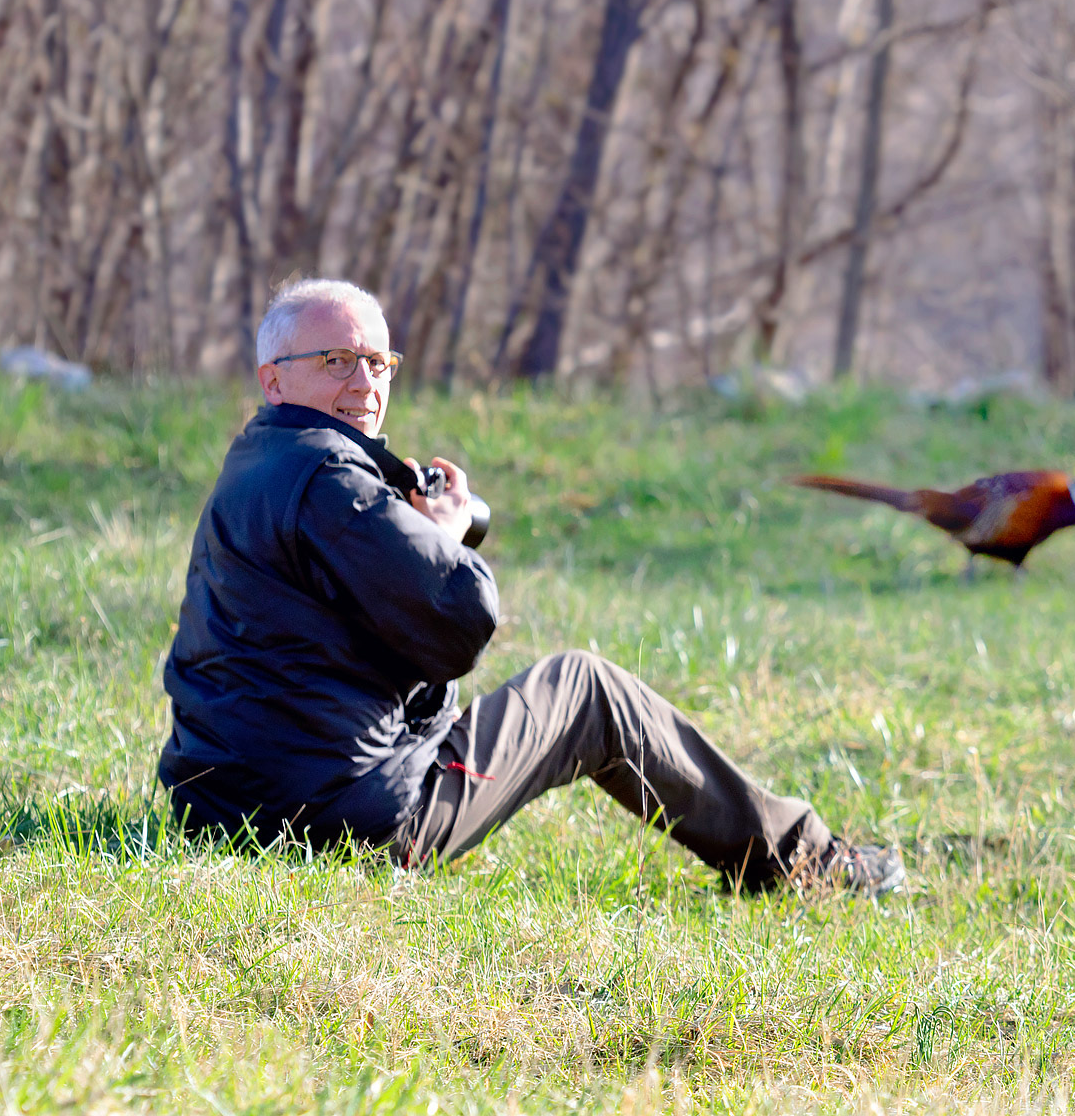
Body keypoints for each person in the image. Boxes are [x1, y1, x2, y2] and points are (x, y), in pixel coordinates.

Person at [157, 278, 904, 895]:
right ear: (273, 376)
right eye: (336, 361)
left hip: (221, 807)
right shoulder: (332, 479)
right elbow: (460, 620)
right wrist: (444, 536)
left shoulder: (260, 458)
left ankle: (794, 854)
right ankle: (805, 865)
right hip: (340, 823)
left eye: (379, 363)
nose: (364, 383)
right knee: (586, 691)